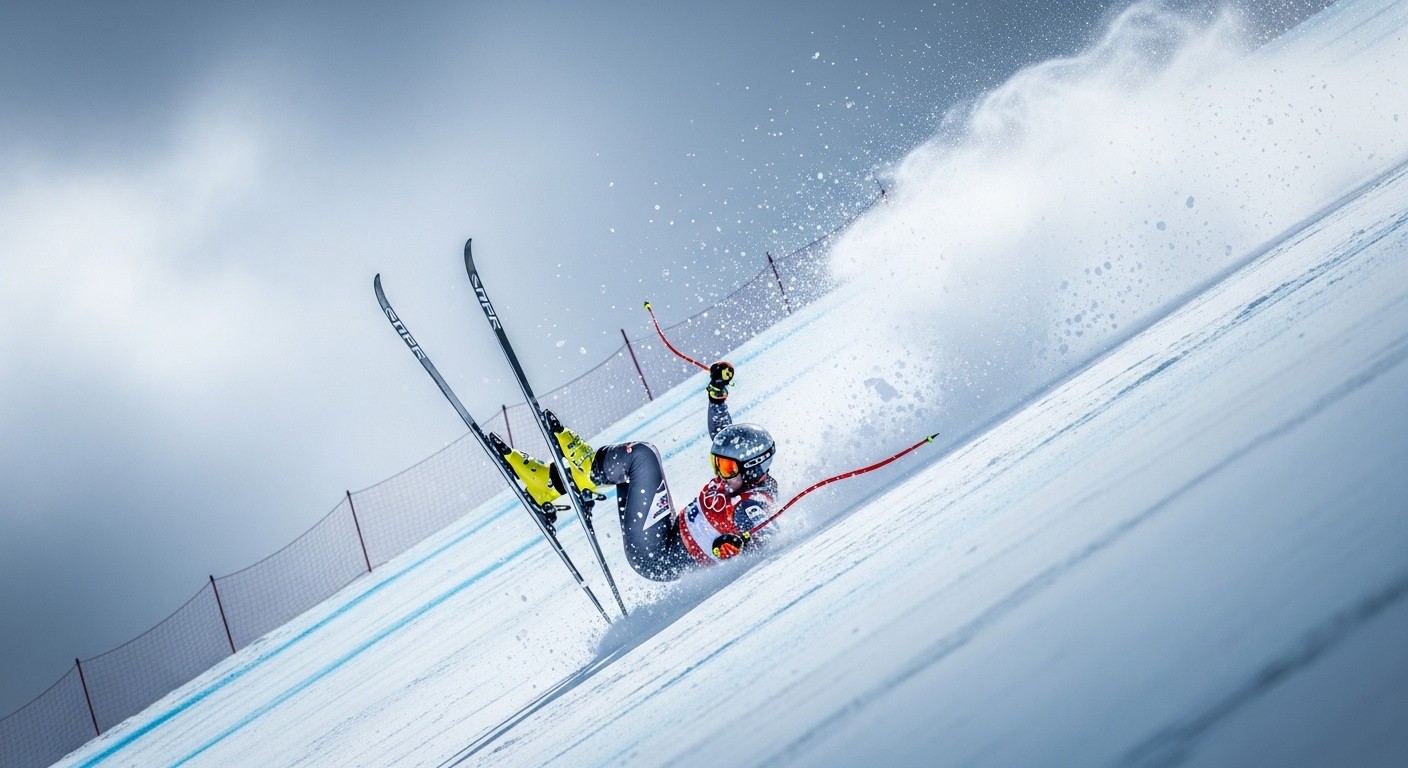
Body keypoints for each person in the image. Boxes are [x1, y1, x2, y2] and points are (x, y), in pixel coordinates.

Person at [501, 361, 778, 581]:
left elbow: (767, 534)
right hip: (667, 532)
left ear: (753, 470)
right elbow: (721, 434)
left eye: (727, 468)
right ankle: (548, 485)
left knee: (642, 456)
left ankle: (587, 469)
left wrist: (739, 545)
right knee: (629, 468)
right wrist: (717, 396)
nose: (720, 473)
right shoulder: (740, 480)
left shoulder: (751, 504)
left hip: (661, 556)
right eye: (717, 463)